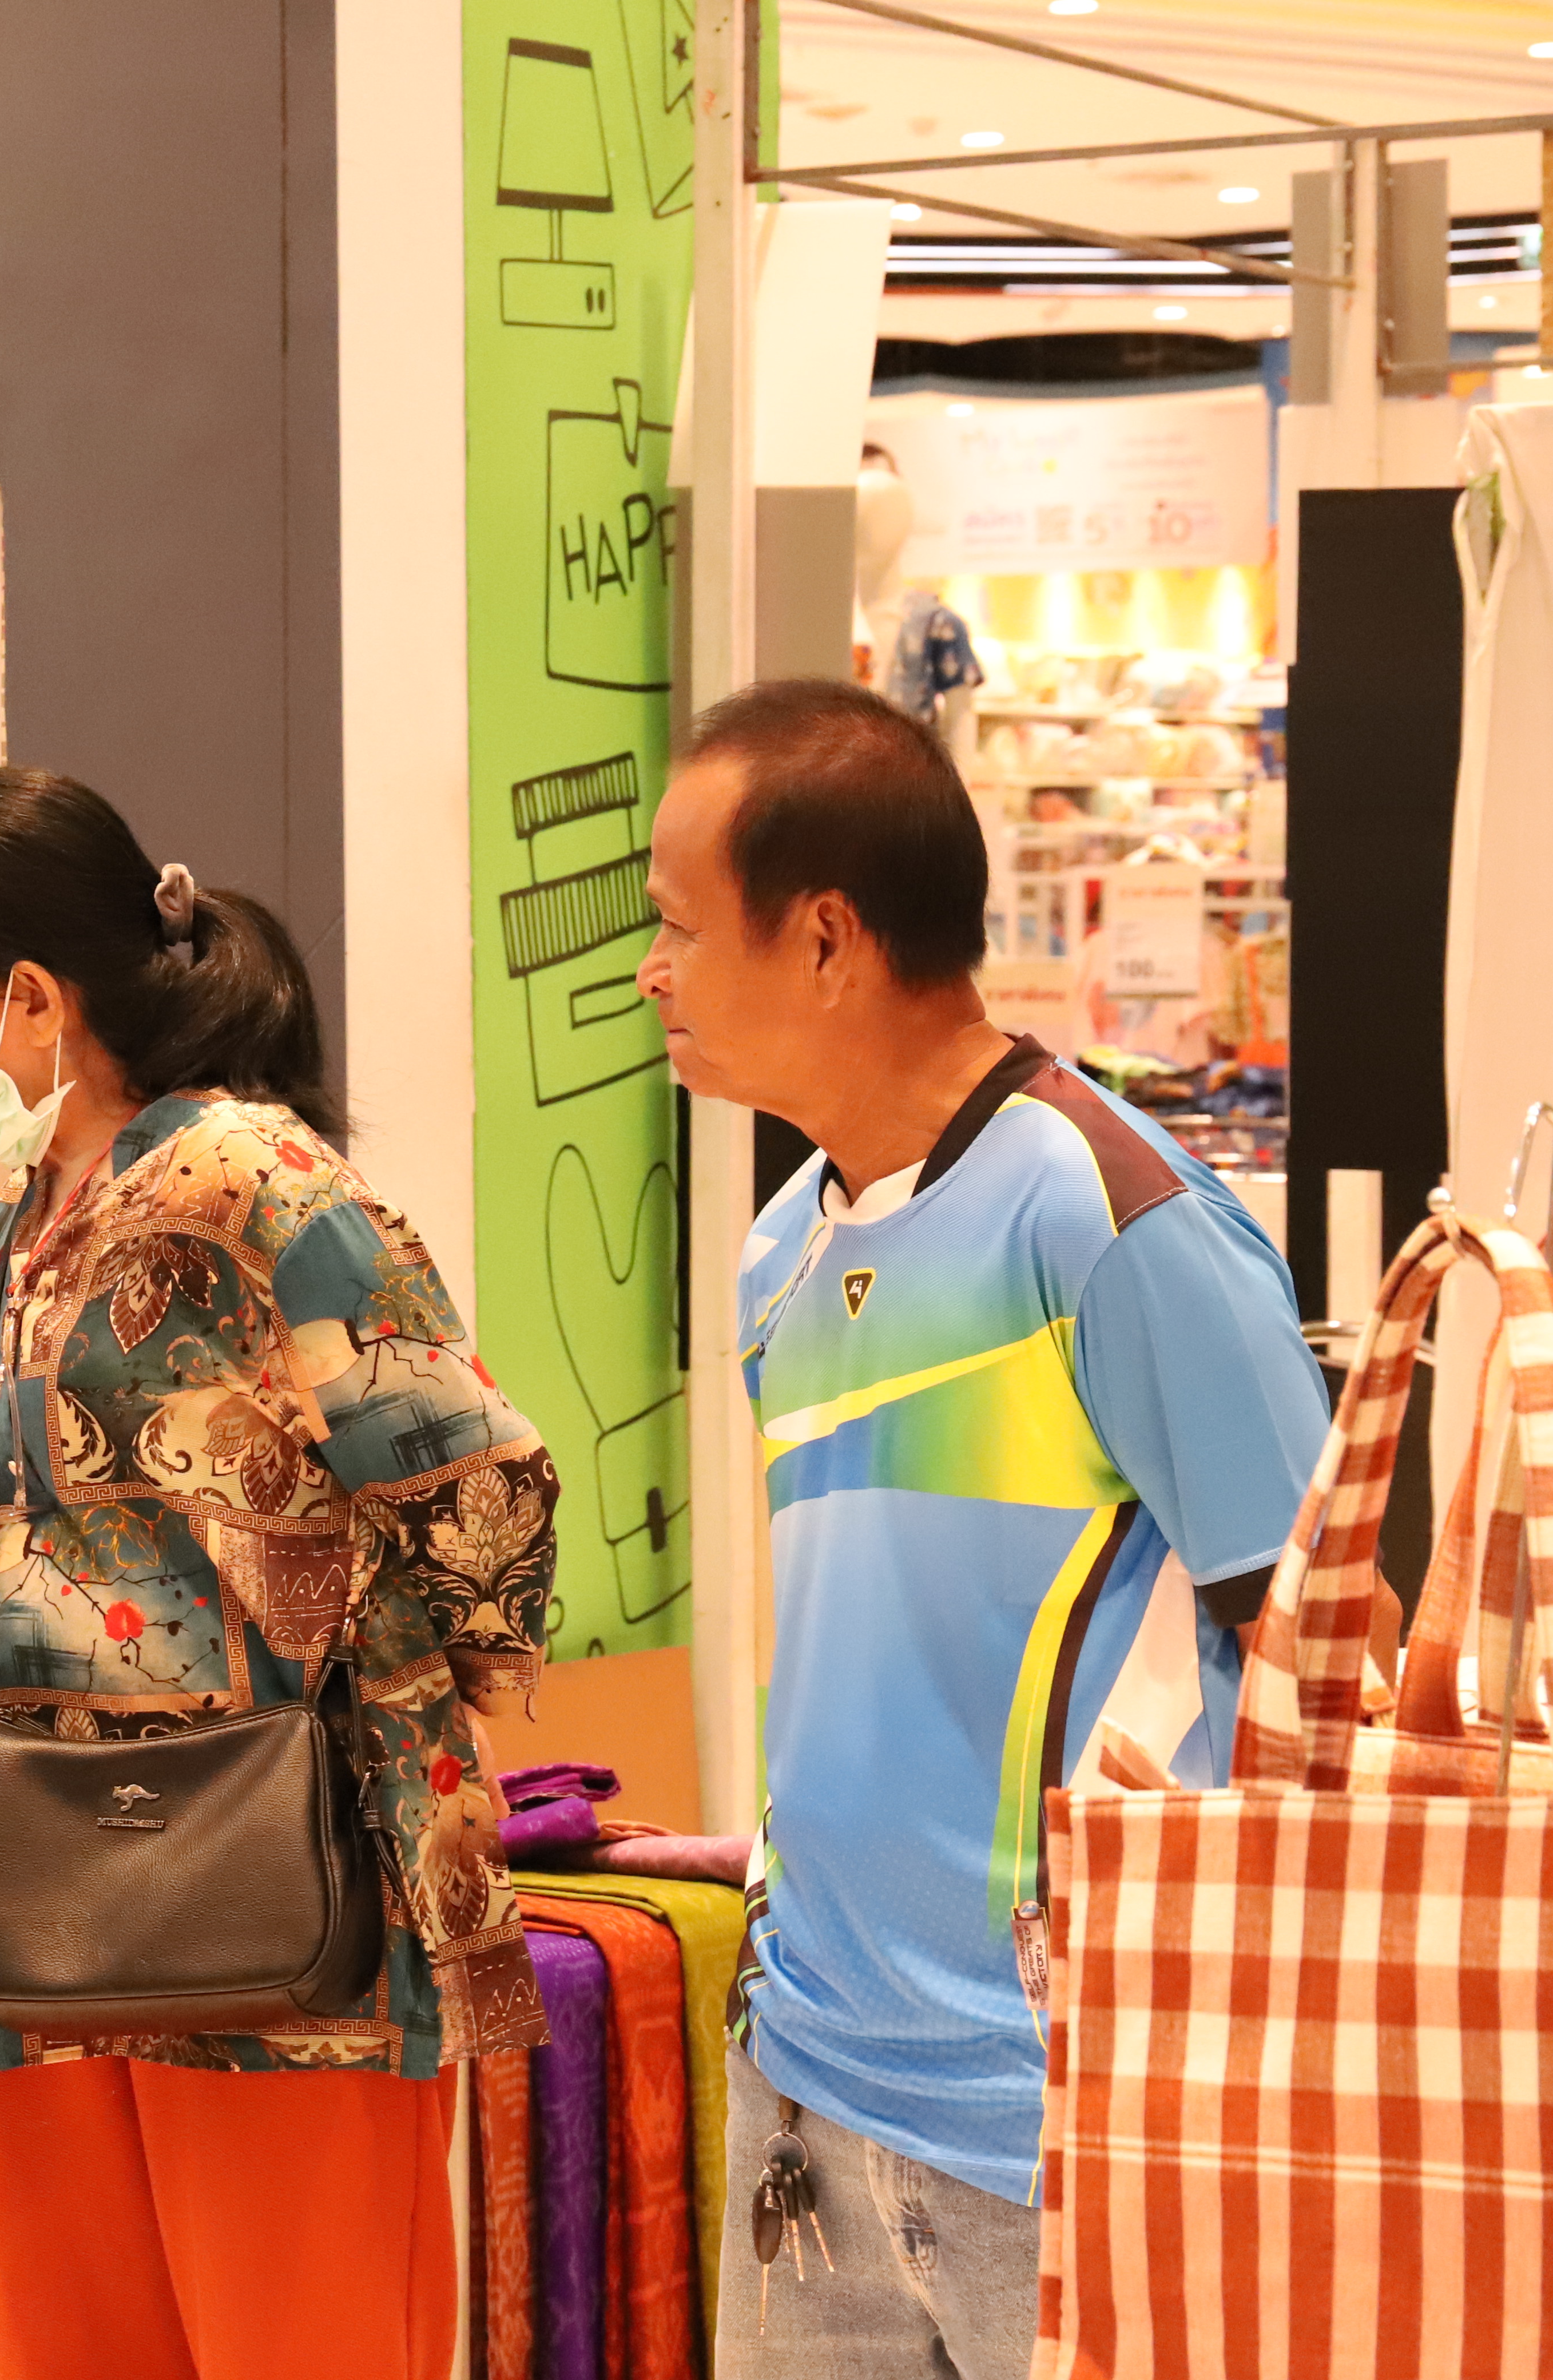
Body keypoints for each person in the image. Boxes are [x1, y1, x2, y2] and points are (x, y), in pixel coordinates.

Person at [0, 767, 557, 2380]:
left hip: (291, 1917)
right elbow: (32, 1579)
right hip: (56, 1914)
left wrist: (396, 1727)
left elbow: (482, 1487)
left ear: (32, 1000)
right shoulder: (26, 1223)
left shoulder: (254, 1183)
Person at [636, 680, 1329, 2380]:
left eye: (677, 927)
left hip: (1065, 2118)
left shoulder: (1116, 1216)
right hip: (807, 2085)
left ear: (825, 939)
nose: (650, 973)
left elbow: (1323, 1654)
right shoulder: (779, 1251)